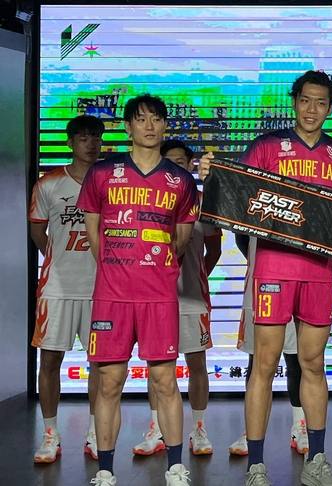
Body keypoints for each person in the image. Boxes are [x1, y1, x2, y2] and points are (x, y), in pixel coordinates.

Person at [199, 70, 332, 486]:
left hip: (318, 274)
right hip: (273, 270)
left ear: (330, 108)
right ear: (294, 101)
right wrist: (211, 174)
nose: (312, 109)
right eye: (305, 100)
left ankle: (317, 461)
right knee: (264, 364)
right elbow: (236, 197)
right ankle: (256, 466)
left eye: (321, 102)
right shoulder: (266, 146)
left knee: (313, 363)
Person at [78, 94, 198, 486]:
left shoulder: (180, 180)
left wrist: (154, 269)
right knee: (109, 382)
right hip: (111, 296)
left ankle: (175, 468)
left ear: (165, 125)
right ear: (128, 127)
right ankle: (105, 471)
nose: (149, 126)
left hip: (158, 296)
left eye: (156, 119)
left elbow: (181, 240)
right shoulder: (102, 173)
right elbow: (94, 235)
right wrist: (118, 268)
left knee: (165, 381)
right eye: (141, 119)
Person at [130, 140, 222, 457]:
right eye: (167, 161)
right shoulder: (146, 199)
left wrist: (196, 276)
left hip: (192, 299)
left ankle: (199, 429)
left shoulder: (203, 203)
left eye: (180, 162)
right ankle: (156, 429)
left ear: (191, 164)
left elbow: (214, 250)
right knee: (157, 366)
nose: (173, 167)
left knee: (197, 364)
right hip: (153, 299)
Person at [29, 114, 104, 463]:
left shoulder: (109, 181)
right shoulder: (49, 184)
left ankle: (95, 433)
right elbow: (38, 232)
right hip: (57, 288)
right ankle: (50, 435)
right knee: (50, 360)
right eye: (84, 137)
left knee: (100, 363)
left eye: (96, 137)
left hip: (100, 288)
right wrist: (57, 259)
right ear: (70, 142)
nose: (91, 144)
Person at [228, 234, 308, 458]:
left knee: (296, 360)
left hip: (296, 280)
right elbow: (241, 237)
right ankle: (252, 432)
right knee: (257, 363)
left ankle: (300, 426)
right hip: (260, 283)